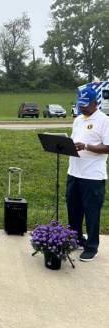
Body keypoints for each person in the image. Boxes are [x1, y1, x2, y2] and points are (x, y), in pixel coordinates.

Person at [66, 87, 109, 262]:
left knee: (91, 213)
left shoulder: (104, 120)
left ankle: (92, 247)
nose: (81, 108)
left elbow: (107, 147)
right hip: (74, 172)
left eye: (84, 105)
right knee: (73, 209)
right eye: (80, 104)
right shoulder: (78, 120)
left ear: (94, 102)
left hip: (93, 176)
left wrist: (86, 146)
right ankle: (76, 239)